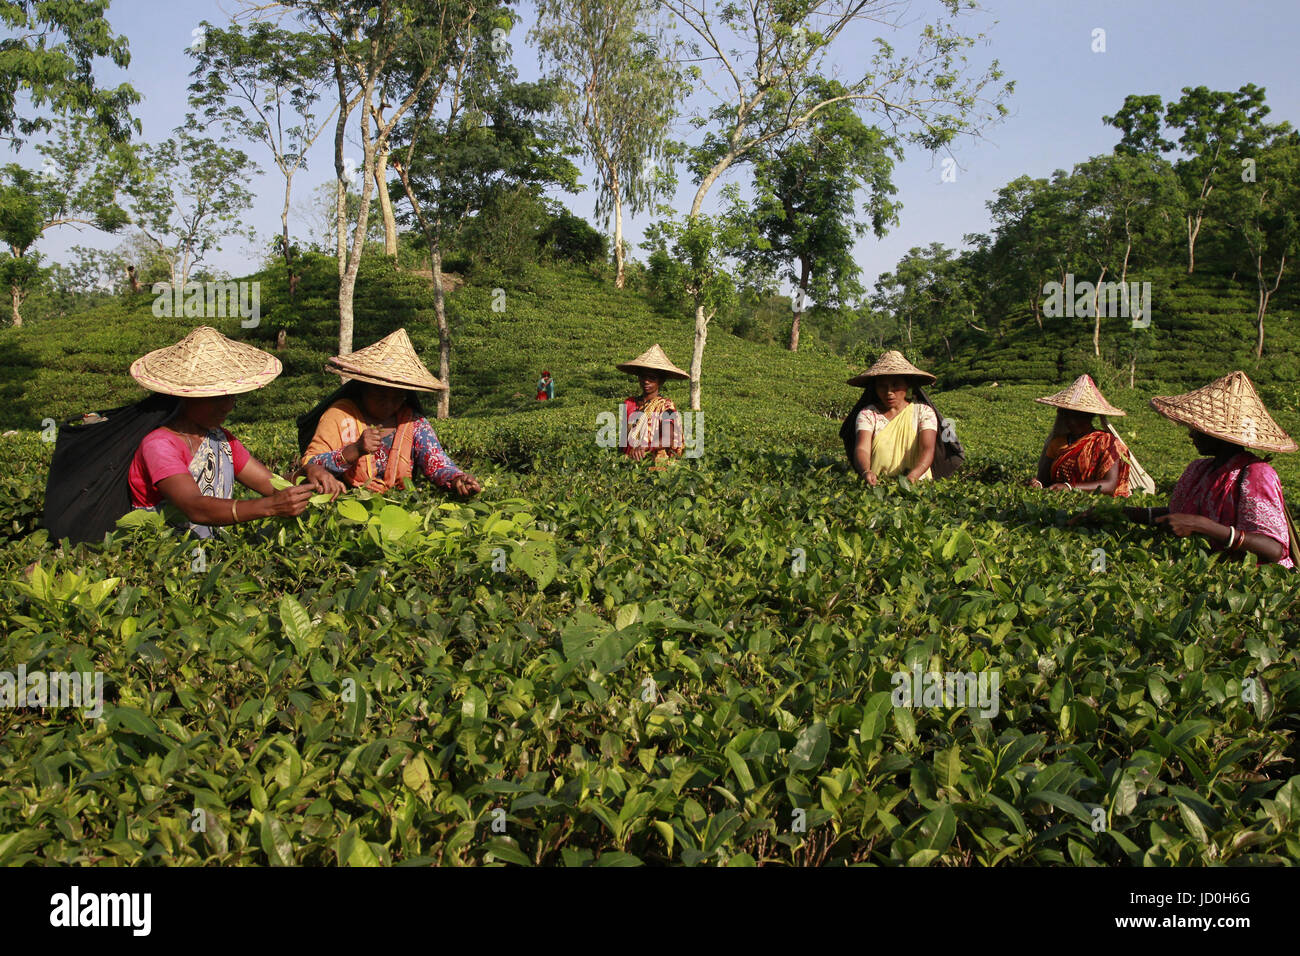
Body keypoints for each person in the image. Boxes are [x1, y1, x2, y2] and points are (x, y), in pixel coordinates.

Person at [127, 326, 344, 538]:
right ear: (188, 395)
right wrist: (270, 507)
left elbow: (273, 486)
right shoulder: (159, 445)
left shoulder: (221, 440)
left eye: (231, 396)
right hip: (163, 553)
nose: (228, 406)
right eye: (218, 398)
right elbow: (195, 507)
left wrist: (306, 475)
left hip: (211, 551)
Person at [1126, 371, 1295, 568]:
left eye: (1196, 429)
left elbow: (1273, 549)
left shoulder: (1257, 474)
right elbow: (1178, 516)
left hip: (1251, 583)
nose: (1190, 434)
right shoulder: (1199, 469)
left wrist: (1202, 526)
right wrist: (1128, 513)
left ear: (1218, 434)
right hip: (1208, 571)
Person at [300, 328, 482, 496]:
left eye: (397, 397)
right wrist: (354, 450)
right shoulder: (340, 415)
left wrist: (457, 479)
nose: (388, 403)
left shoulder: (412, 423)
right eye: (380, 394)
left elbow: (436, 462)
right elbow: (310, 465)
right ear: (364, 388)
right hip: (345, 504)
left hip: (399, 507)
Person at [1028, 375, 1133, 497]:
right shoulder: (1057, 443)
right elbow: (1044, 480)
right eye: (1067, 415)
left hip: (1097, 505)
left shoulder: (1107, 443)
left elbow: (1110, 485)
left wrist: (1070, 488)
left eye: (1077, 416)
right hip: (1060, 503)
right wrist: (1037, 484)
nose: (1071, 421)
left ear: (1089, 416)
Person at [846, 350, 938, 484]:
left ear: (907, 385)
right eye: (882, 386)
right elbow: (862, 448)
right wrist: (866, 471)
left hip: (918, 485)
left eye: (895, 385)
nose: (889, 392)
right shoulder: (868, 414)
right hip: (878, 484)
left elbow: (927, 448)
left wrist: (915, 474)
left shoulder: (923, 412)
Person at [616, 344, 686, 466]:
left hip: (652, 464)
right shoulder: (629, 403)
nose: (646, 381)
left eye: (652, 378)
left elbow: (668, 438)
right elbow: (623, 441)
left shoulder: (666, 406)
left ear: (661, 381)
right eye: (643, 377)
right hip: (628, 463)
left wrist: (644, 447)